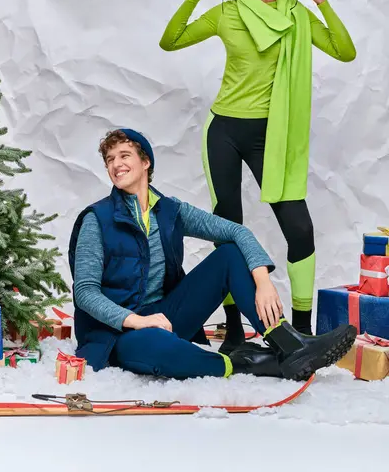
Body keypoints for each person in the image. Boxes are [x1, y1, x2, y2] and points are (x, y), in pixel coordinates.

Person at [159, 0, 356, 354]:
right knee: (229, 229)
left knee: (299, 229)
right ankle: (233, 331)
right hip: (225, 130)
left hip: (274, 133)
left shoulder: (295, 14)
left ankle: (303, 333)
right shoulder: (227, 12)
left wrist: (320, 0)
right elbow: (169, 41)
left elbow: (345, 51)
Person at [69, 128, 356, 380]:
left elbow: (236, 232)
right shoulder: (98, 219)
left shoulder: (171, 211)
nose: (116, 164)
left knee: (229, 255)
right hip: (117, 332)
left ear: (145, 162)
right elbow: (85, 292)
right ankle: (254, 363)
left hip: (165, 315)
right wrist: (138, 321)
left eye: (124, 155)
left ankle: (289, 344)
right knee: (161, 350)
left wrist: (263, 280)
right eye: (110, 160)